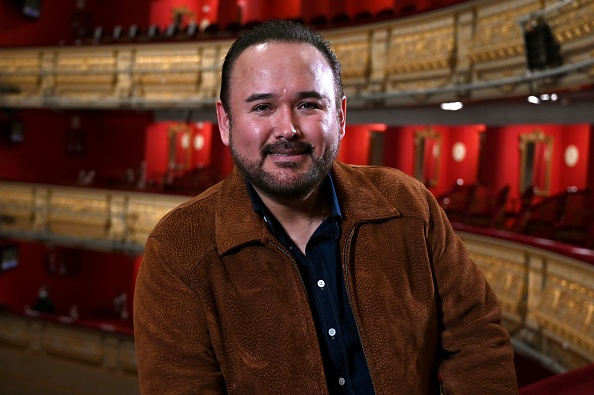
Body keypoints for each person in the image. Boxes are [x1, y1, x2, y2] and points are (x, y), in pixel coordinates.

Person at [134, 19, 518, 394]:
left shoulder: (408, 204)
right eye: (262, 107)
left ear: (341, 116)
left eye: (308, 104)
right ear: (225, 121)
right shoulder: (177, 248)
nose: (287, 129)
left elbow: (477, 338)